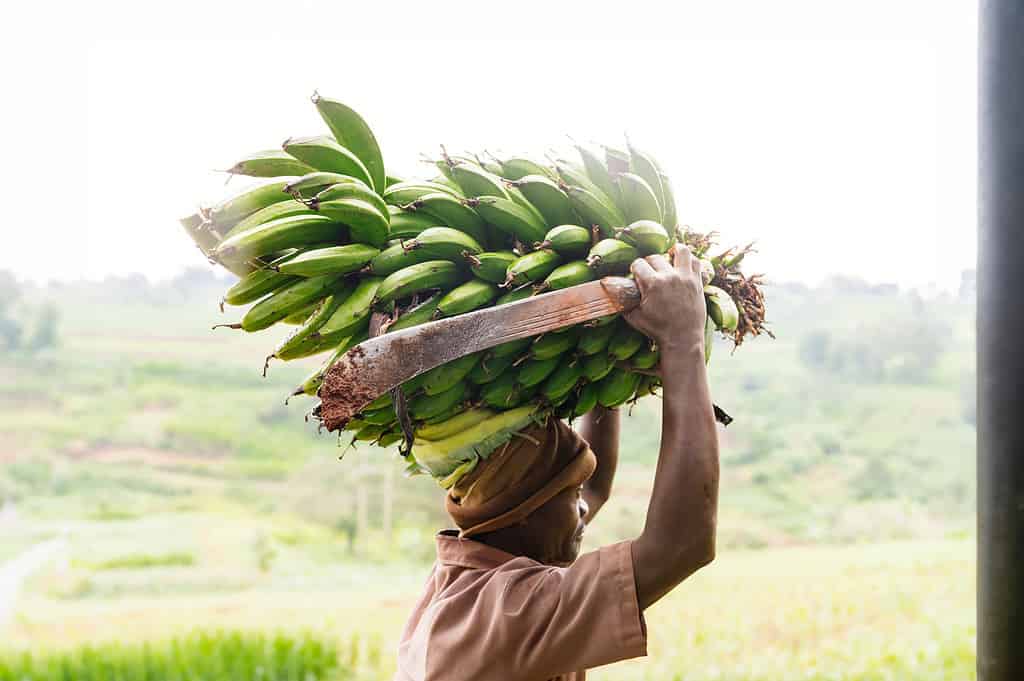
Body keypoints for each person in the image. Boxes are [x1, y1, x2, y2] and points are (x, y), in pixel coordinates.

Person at [395, 244, 720, 681]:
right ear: (523, 512)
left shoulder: (472, 574)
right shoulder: (511, 616)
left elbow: (595, 482)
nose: (586, 505)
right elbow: (685, 543)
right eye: (571, 496)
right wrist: (684, 342)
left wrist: (607, 362)